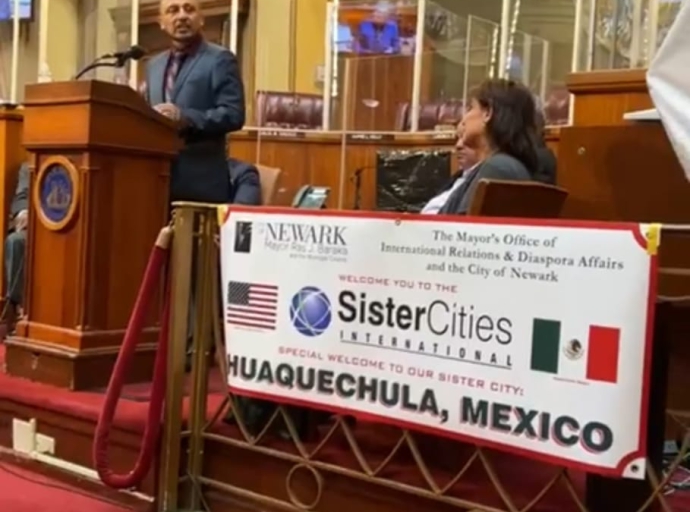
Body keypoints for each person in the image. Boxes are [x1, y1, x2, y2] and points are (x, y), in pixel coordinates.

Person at [144, 0, 245, 204]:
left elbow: (234, 114)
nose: (181, 16)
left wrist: (186, 117)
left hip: (201, 185)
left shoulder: (220, 59)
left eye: (189, 9)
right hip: (157, 182)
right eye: (172, 10)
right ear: (161, 22)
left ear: (201, 19)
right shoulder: (153, 66)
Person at [439, 79, 539, 215]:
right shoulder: (508, 166)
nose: (464, 119)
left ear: (487, 113)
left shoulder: (498, 168)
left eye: (470, 108)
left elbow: (460, 231)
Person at [421, 125, 480, 214]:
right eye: (458, 138)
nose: (458, 145)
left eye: (465, 139)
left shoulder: (484, 175)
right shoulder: (458, 177)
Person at [4, 163, 29, 332]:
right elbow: (22, 197)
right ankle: (20, 311)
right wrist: (24, 212)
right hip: (38, 228)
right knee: (15, 241)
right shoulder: (31, 165)